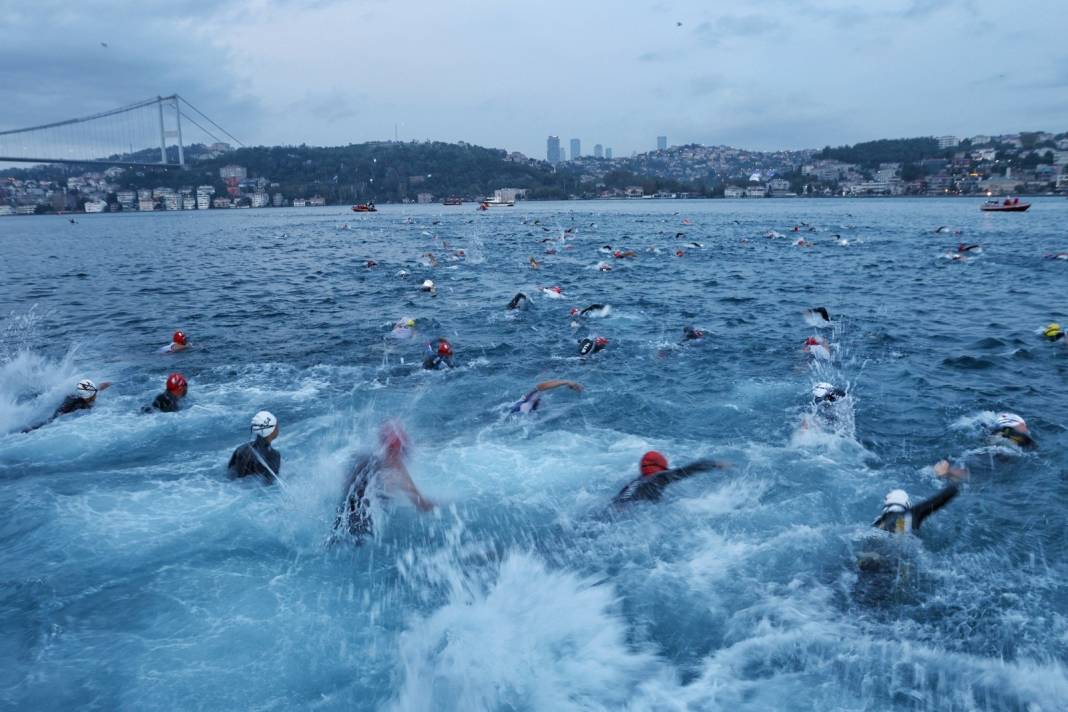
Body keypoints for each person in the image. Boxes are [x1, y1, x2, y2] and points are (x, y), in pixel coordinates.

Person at [335, 421, 434, 539]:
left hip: (345, 515)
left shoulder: (363, 459)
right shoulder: (393, 467)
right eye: (400, 451)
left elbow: (346, 488)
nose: (401, 456)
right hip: (360, 519)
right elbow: (422, 504)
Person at [870, 460, 967, 535]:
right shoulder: (910, 515)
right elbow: (944, 497)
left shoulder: (876, 525)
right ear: (907, 505)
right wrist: (949, 475)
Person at [612, 451, 731, 506]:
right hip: (627, 512)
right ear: (662, 467)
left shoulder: (637, 481)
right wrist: (715, 464)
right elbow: (687, 470)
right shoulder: (659, 477)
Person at [23, 378, 113, 432]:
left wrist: (111, 383)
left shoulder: (91, 391)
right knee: (50, 421)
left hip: (71, 399)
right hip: (65, 408)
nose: (94, 396)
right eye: (92, 396)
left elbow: (101, 386)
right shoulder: (80, 404)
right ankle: (29, 430)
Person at [228, 410, 282, 482]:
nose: (278, 427)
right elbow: (270, 484)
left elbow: (230, 474)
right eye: (276, 425)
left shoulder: (240, 449)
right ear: (271, 430)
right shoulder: (274, 456)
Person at [511, 379, 582, 414]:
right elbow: (540, 386)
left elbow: (540, 387)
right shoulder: (526, 405)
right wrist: (565, 382)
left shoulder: (524, 402)